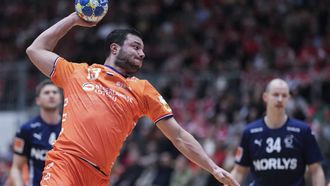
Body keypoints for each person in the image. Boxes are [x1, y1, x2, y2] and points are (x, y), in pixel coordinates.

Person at [25, 12, 239, 186]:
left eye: (143, 50)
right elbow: (35, 49)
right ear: (115, 48)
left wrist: (213, 167)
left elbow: (179, 135)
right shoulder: (78, 73)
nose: (142, 54)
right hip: (66, 162)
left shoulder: (142, 89)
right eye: (136, 47)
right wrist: (74, 19)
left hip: (99, 176)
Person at [230, 78, 325, 186]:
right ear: (265, 97)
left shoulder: (303, 131)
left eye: (284, 95)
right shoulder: (250, 132)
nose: (280, 99)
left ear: (288, 98)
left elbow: (316, 170)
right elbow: (239, 171)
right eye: (275, 94)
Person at [7, 80, 62, 186]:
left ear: (60, 98)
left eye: (55, 92)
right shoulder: (27, 129)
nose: (51, 95)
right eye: (46, 92)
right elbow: (16, 168)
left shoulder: (70, 127)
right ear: (38, 100)